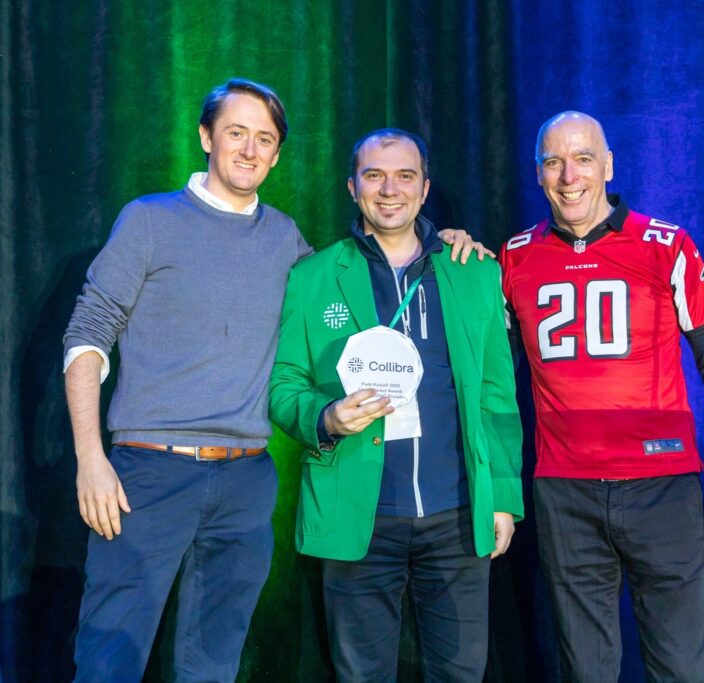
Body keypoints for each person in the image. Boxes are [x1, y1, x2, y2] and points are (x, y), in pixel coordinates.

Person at [63, 80, 486, 681]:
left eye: (264, 139)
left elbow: (358, 279)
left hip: (246, 478)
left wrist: (441, 243)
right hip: (149, 472)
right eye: (236, 133)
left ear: (277, 154)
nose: (249, 149)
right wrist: (89, 457)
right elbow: (87, 333)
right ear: (207, 137)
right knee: (112, 654)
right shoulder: (149, 220)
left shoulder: (287, 241)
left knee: (214, 658)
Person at [499, 111, 704, 682]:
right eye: (554, 162)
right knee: (585, 671)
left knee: (681, 668)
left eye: (584, 159)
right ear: (537, 173)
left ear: (608, 165)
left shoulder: (666, 246)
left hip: (661, 486)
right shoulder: (515, 257)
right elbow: (491, 382)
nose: (570, 176)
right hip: (566, 492)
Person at [268, 128, 523, 682]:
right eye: (374, 175)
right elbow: (283, 383)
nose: (390, 190)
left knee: (460, 674)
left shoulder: (473, 271)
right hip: (358, 516)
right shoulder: (313, 278)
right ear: (352, 186)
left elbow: (496, 397)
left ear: (425, 188)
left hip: (457, 516)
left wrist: (502, 497)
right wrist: (325, 418)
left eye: (405, 176)